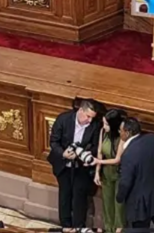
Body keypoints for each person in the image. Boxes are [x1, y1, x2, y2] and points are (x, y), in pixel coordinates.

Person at [47, 98, 100, 229]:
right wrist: (63, 153)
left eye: (92, 118)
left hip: (81, 168)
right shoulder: (64, 119)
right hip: (63, 165)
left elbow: (95, 147)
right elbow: (54, 141)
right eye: (88, 116)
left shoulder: (94, 126)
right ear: (81, 111)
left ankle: (78, 227)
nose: (90, 120)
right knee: (64, 196)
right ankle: (65, 226)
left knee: (79, 198)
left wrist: (83, 153)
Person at [116, 118, 154, 231]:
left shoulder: (128, 155)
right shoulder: (152, 139)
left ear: (127, 132)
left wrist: (119, 197)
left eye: (120, 130)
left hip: (139, 203)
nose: (119, 133)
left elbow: (126, 182)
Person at [93, 108, 127, 230]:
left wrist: (98, 161)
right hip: (106, 173)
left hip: (119, 174)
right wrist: (97, 172)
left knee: (119, 207)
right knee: (107, 205)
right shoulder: (103, 132)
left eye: (106, 124)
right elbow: (99, 152)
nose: (104, 126)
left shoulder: (122, 137)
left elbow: (118, 159)